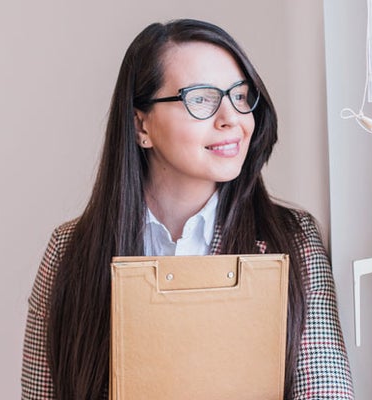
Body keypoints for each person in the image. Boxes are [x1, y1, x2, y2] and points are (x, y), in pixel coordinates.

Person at [20, 19, 354, 400]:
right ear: (140, 124)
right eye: (200, 99)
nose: (231, 118)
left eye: (240, 96)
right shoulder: (69, 252)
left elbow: (327, 390)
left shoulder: (293, 240)